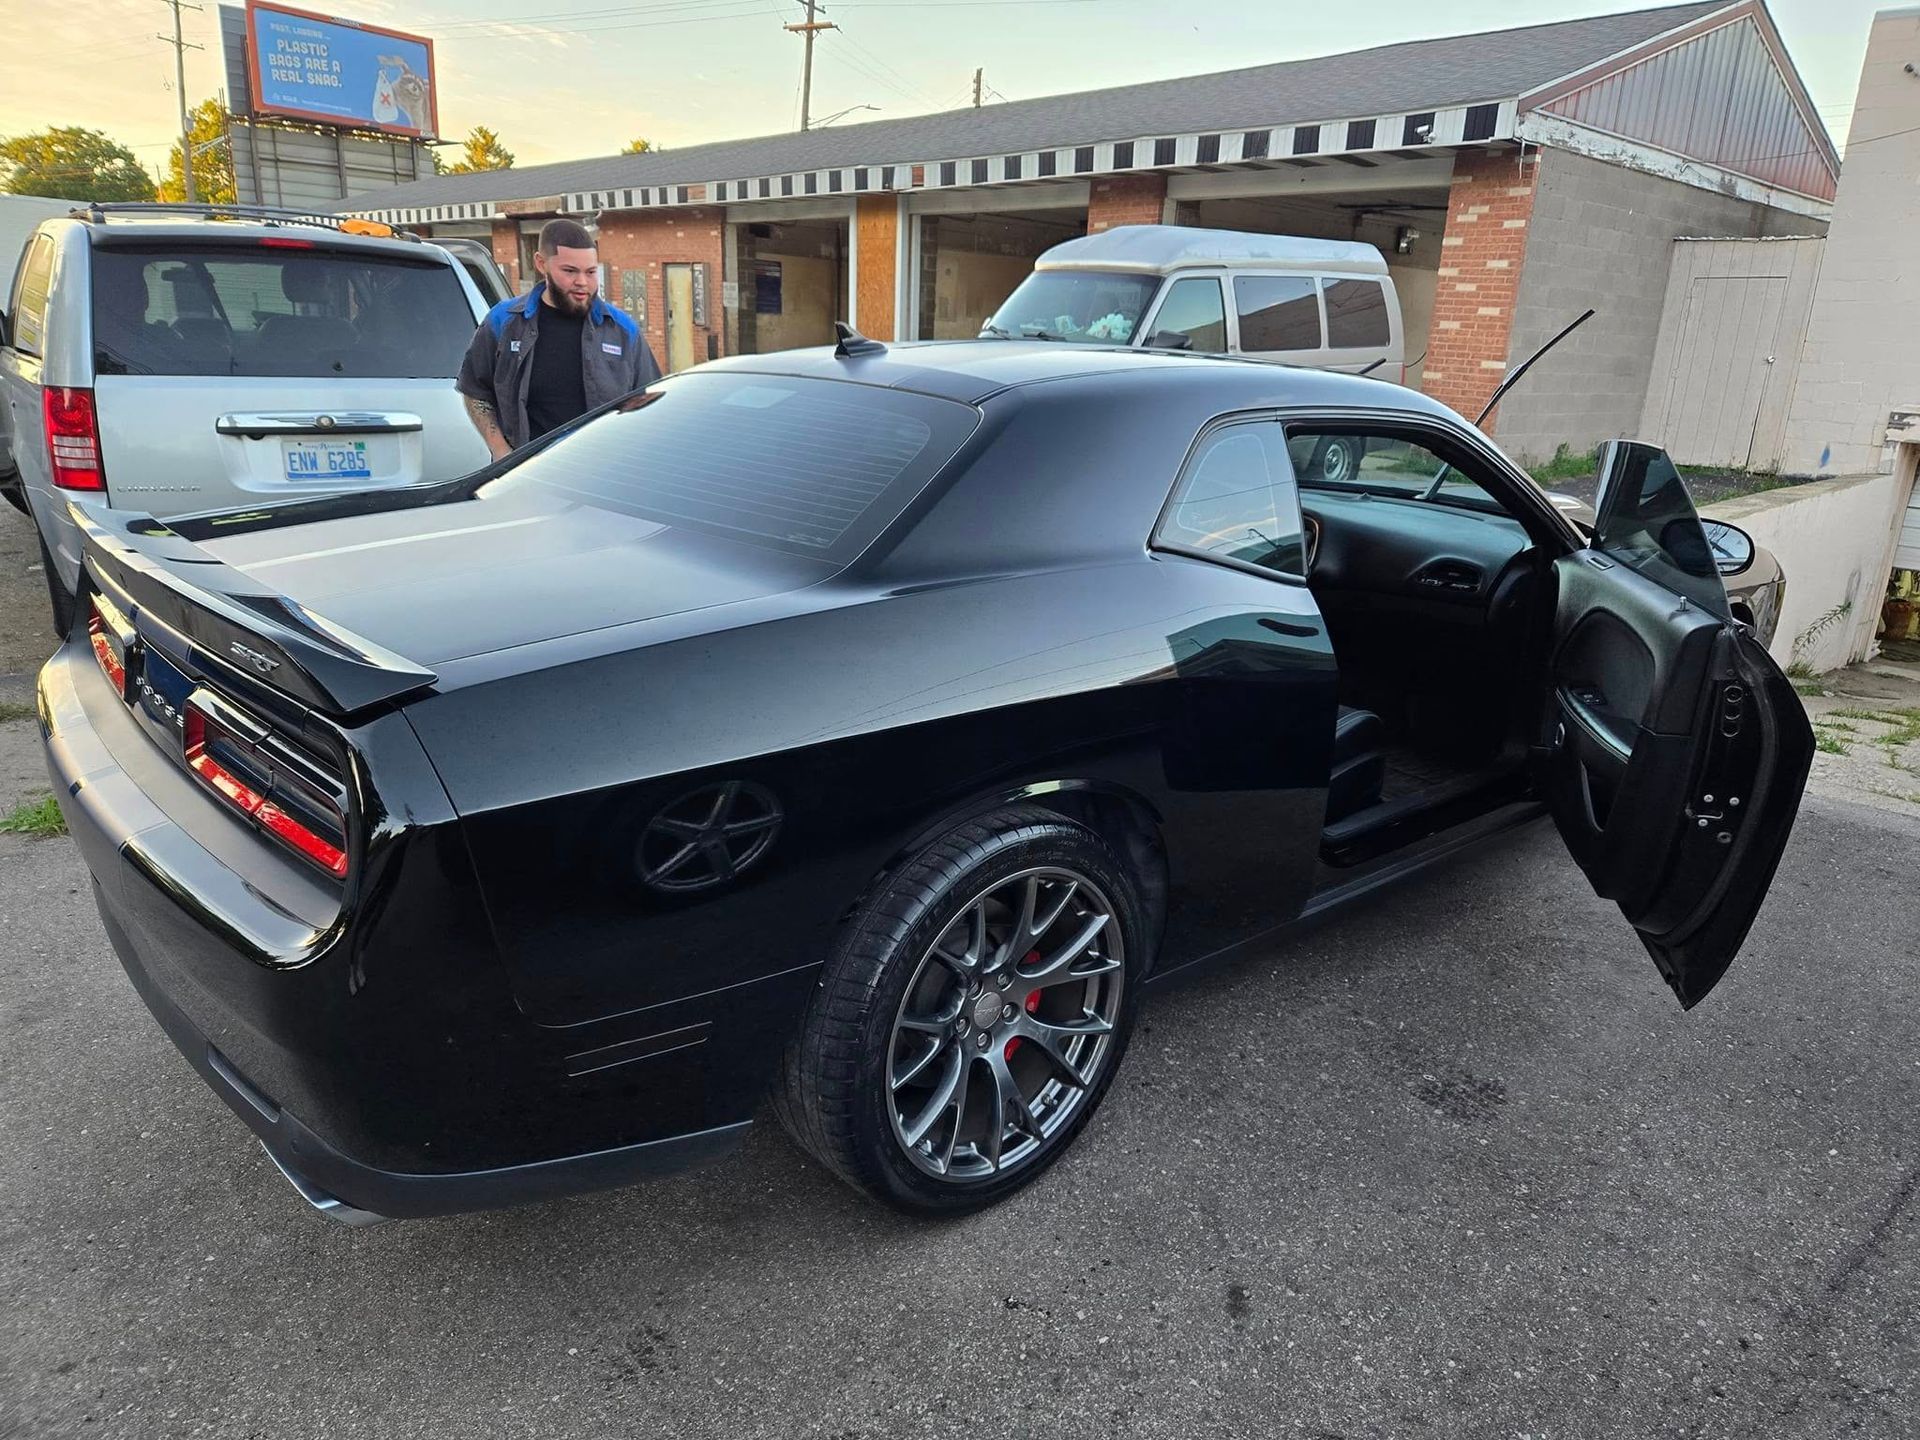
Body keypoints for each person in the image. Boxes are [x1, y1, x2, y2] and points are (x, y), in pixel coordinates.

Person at [456, 218, 661, 459]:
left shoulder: (623, 331)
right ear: (541, 264)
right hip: (526, 475)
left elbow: (651, 406)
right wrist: (501, 451)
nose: (582, 282)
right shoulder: (505, 322)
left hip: (602, 475)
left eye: (591, 272)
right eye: (570, 271)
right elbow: (475, 392)